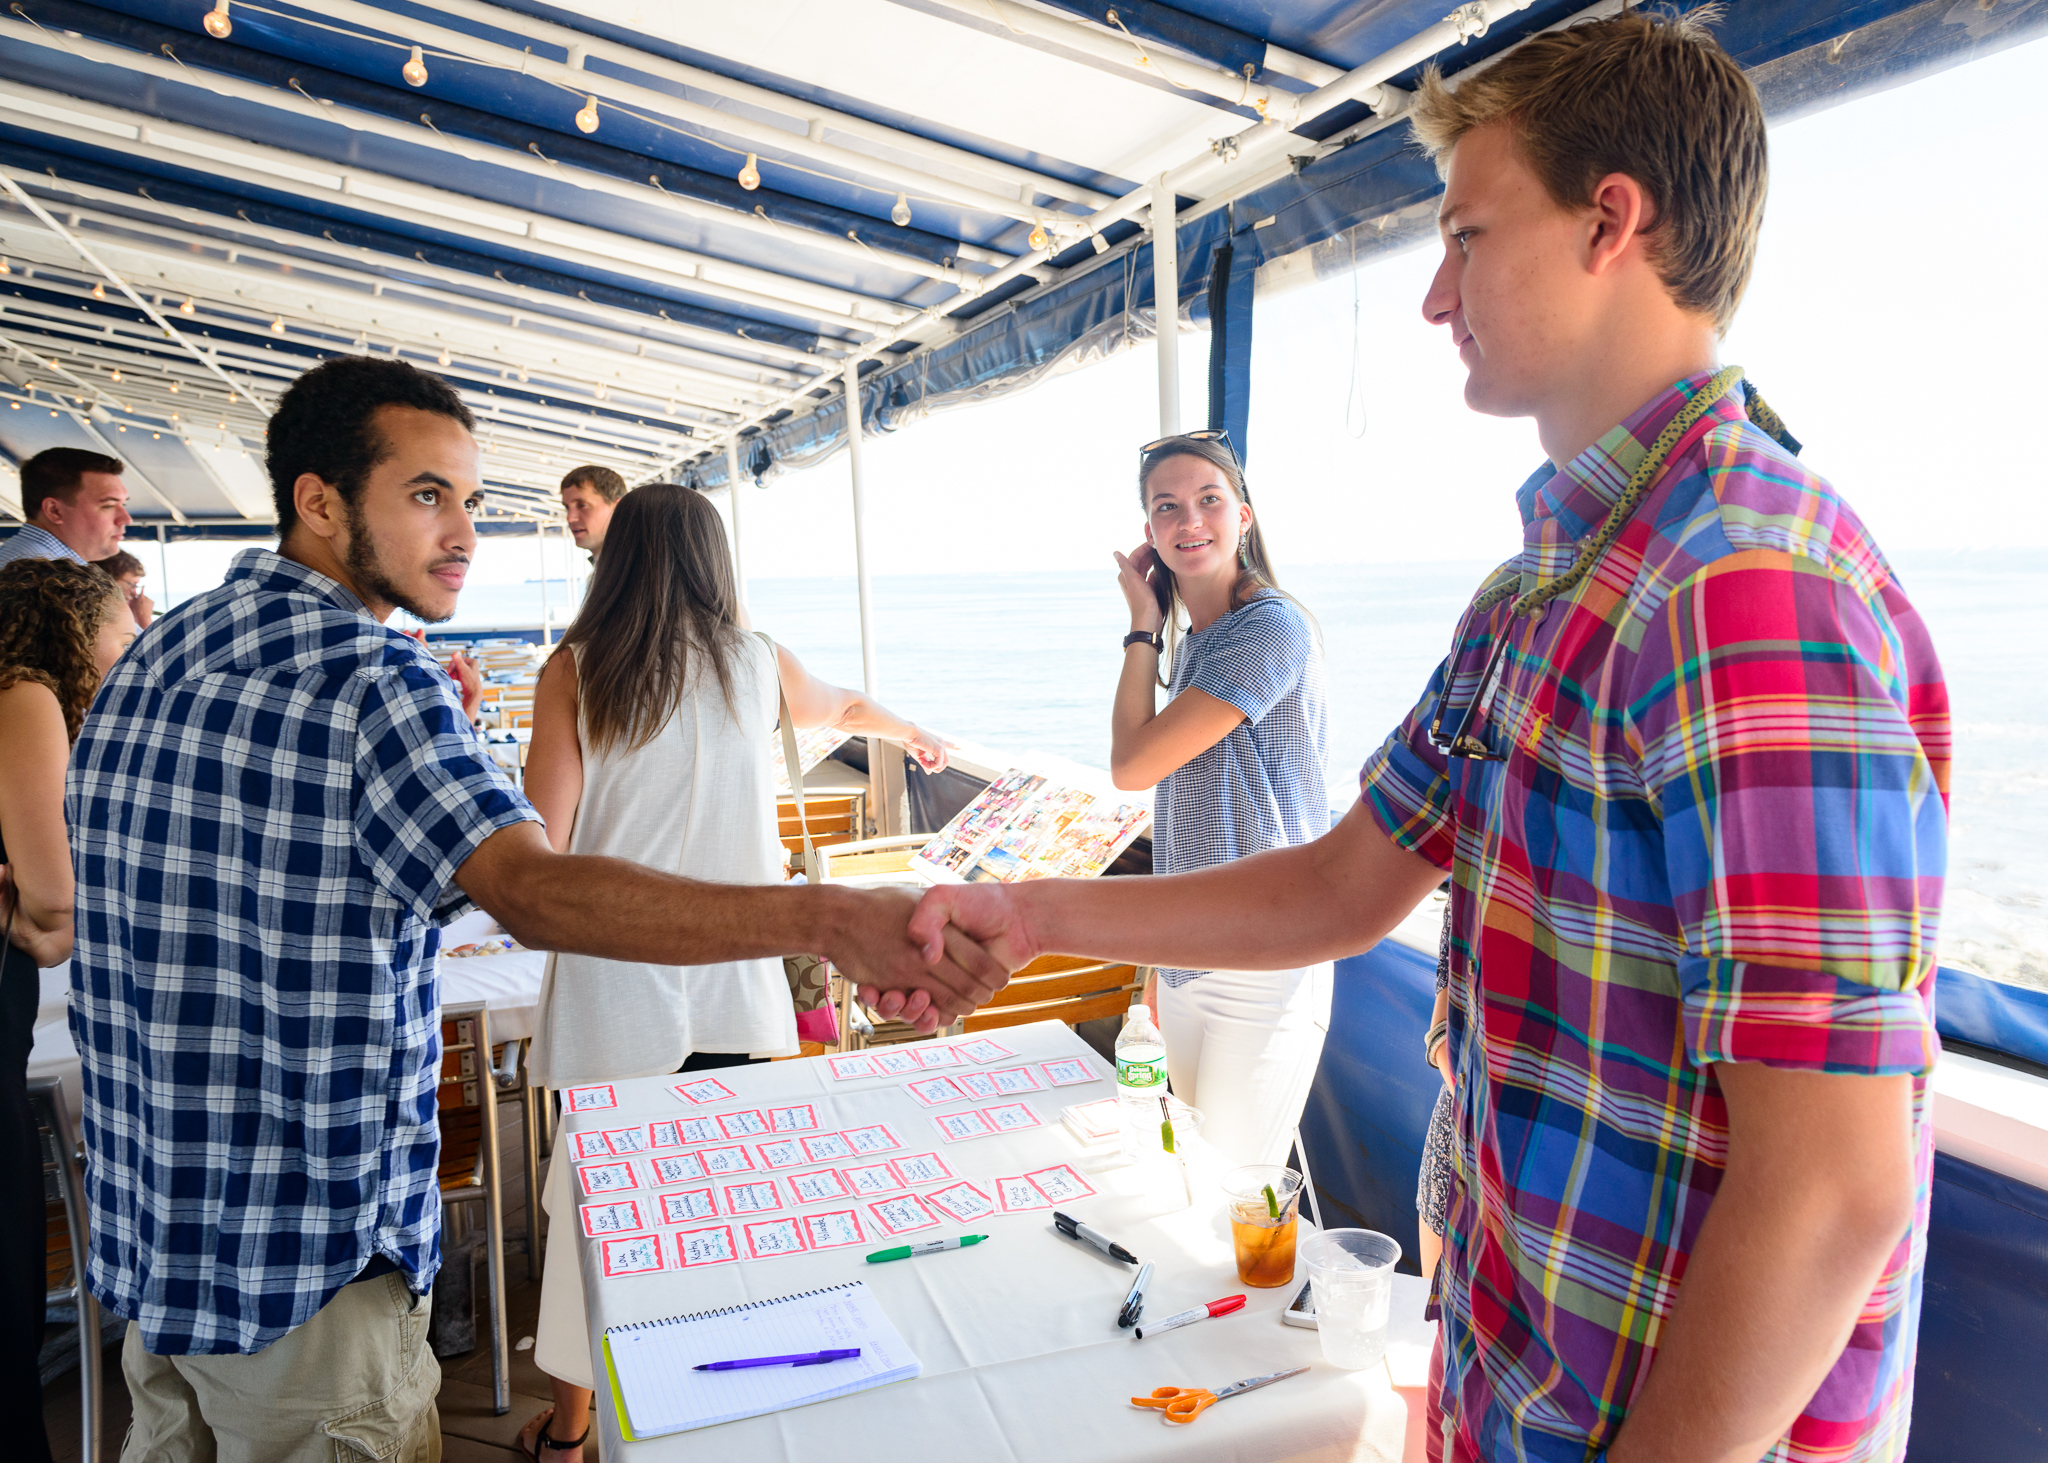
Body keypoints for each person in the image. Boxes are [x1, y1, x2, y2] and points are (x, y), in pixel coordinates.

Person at [902, 13, 1945, 1462]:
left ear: (1611, 221)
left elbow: (1835, 1187)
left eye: (1464, 233)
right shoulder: (1538, 590)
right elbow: (1340, 884)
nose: (1432, 294)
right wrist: (1026, 909)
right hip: (1510, 1390)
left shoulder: (1744, 585)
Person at [66, 357, 1004, 1461]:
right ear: (318, 502)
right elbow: (532, 886)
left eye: (469, 499)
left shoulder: (153, 649)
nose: (464, 531)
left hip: (151, 1240)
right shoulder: (376, 676)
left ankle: (573, 1423)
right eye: (426, 496)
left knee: (594, 1227)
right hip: (304, 1261)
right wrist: (826, 917)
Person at [516, 481, 953, 1460]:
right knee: (715, 1209)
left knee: (595, 1223)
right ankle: (707, 1417)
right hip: (736, 981)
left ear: (616, 557)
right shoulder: (754, 663)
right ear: (715, 561)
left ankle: (570, 1431)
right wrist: (912, 732)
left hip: (612, 987)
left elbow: (546, 837)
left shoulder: (575, 670)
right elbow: (840, 702)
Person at [1108, 433, 1329, 1167]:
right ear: (1150, 534)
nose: (1188, 520)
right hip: (1192, 958)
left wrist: (1140, 623)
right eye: (1166, 507)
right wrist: (1155, 971)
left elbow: (1132, 764)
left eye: (1207, 500)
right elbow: (1180, 818)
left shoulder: (1268, 627)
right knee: (1194, 1174)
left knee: (1240, 1186)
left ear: (1245, 515)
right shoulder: (1199, 645)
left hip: (1264, 959)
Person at [0, 558, 136, 1463]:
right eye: (123, 628)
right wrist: (42, 911)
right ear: (75, 627)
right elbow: (56, 908)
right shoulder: (25, 697)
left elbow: (44, 927)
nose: (132, 645)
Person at [0, 447, 130, 568]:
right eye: (108, 506)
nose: (126, 519)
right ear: (54, 511)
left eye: (123, 504)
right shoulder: (42, 579)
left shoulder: (25, 562)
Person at [559, 463, 627, 558]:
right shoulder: (607, 567)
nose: (570, 518)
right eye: (567, 507)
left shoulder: (641, 568)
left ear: (618, 508)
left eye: (582, 505)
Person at [93, 548, 156, 629]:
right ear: (110, 580)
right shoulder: (101, 616)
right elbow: (150, 641)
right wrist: (144, 617)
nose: (134, 593)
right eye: (132, 585)